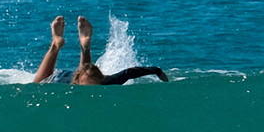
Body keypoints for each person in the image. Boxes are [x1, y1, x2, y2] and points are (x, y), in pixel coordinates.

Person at [30, 16, 168, 85]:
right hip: (60, 77)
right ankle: (57, 45)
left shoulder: (105, 82)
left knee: (84, 69)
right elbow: (129, 72)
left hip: (81, 74)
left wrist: (157, 71)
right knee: (38, 82)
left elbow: (130, 72)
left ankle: (80, 46)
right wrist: (157, 71)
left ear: (101, 79)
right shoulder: (67, 83)